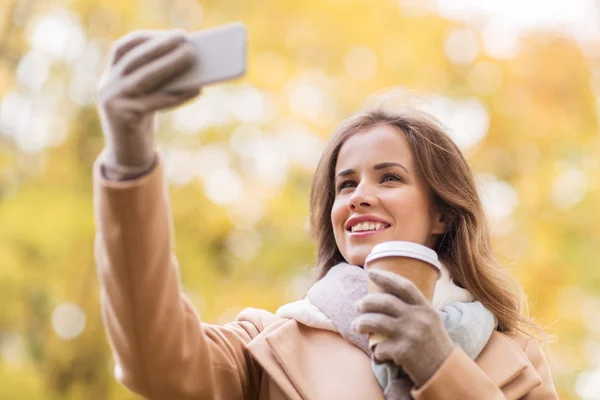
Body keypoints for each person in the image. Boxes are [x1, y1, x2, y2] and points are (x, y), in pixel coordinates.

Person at [93, 29, 559, 399]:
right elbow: (155, 363)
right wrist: (130, 158)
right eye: (346, 184)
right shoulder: (269, 344)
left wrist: (439, 363)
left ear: (442, 213)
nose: (359, 196)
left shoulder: (515, 358)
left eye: (390, 178)